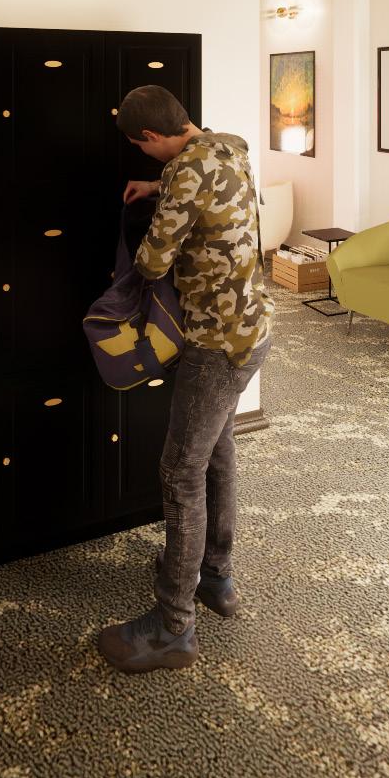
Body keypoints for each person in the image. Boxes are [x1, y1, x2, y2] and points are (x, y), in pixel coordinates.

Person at [97, 84, 275, 674]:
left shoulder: (183, 174)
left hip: (215, 343)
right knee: (217, 453)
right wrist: (158, 186)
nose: (143, 157)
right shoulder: (229, 146)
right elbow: (202, 182)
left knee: (180, 473)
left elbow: (152, 262)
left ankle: (174, 626)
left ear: (151, 136)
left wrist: (160, 193)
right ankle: (216, 577)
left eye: (140, 147)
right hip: (254, 329)